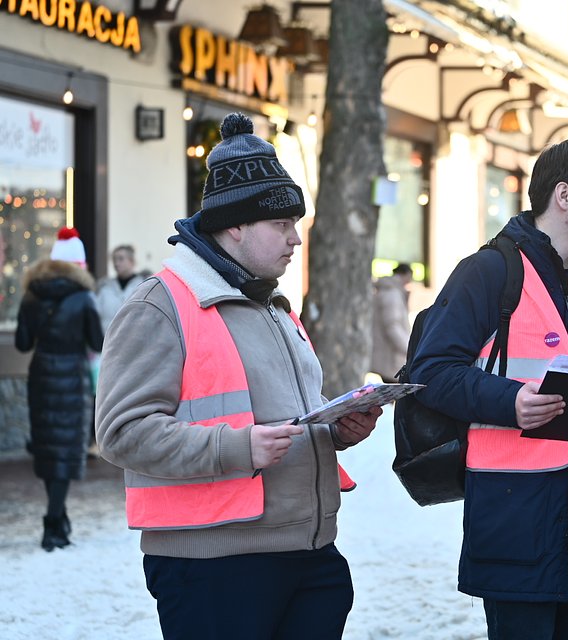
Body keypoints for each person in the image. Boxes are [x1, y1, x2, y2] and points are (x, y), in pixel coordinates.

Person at [95, 113, 380, 639]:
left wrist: (337, 428)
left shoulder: (273, 303)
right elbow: (120, 432)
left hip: (310, 552)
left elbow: (286, 415)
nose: (295, 239)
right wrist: (238, 447)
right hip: (213, 566)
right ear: (235, 226)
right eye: (281, 225)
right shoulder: (159, 305)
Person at [408, 139, 568, 640]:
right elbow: (432, 372)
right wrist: (511, 402)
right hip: (516, 525)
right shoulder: (489, 271)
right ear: (564, 196)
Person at [15, 227, 104, 551]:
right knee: (66, 448)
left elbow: (22, 343)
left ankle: (59, 516)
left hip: (41, 376)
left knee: (47, 446)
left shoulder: (31, 294)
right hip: (72, 377)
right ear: (79, 264)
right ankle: (53, 523)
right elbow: (97, 341)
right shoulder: (83, 297)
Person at [370, 262, 412, 382]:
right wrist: (409, 349)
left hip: (388, 355)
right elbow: (392, 327)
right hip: (391, 357)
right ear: (405, 275)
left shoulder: (389, 292)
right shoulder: (392, 295)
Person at [95, 244, 148, 333]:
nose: (116, 263)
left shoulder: (143, 287)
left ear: (132, 261)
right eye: (114, 259)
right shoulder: (105, 288)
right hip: (107, 339)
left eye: (121, 259)